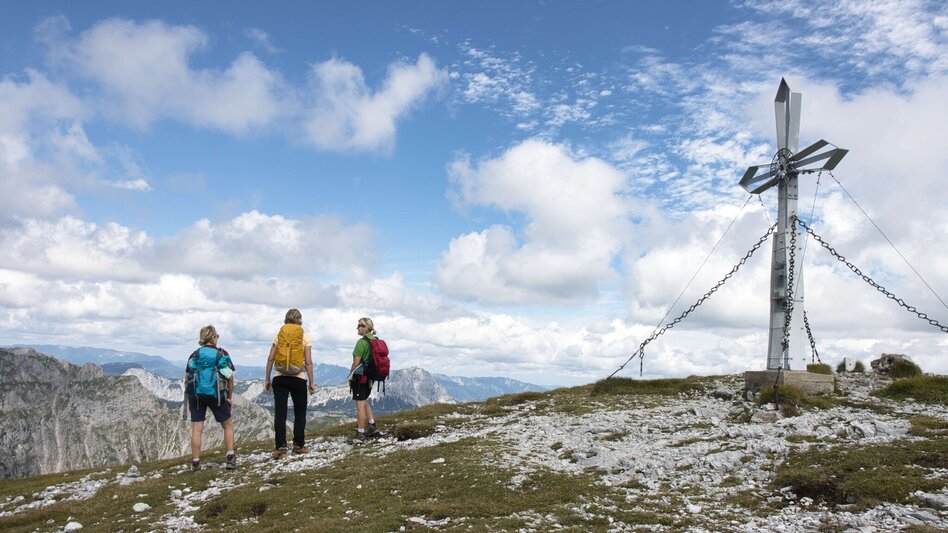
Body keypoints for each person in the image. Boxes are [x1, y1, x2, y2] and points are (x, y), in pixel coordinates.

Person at [264, 308, 315, 458]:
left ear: (286, 319)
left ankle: (280, 448)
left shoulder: (279, 336)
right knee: (300, 412)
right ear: (300, 320)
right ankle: (298, 445)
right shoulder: (305, 336)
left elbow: (270, 358)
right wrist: (311, 382)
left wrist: (267, 378)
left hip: (280, 377)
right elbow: (309, 362)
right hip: (299, 377)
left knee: (280, 413)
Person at [185, 325, 236, 472]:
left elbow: (187, 377)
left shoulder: (195, 354)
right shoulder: (221, 354)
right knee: (227, 425)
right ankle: (230, 459)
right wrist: (229, 397)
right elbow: (230, 377)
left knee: (197, 429)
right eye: (217, 335)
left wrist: (190, 395)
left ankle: (195, 463)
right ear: (213, 337)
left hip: (196, 394)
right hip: (217, 394)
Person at [349, 317, 381, 442]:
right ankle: (372, 426)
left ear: (366, 328)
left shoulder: (361, 342)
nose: (358, 328)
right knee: (364, 400)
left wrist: (350, 376)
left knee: (360, 405)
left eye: (360, 326)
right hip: (371, 377)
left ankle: (360, 433)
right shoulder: (375, 340)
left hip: (360, 377)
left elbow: (356, 363)